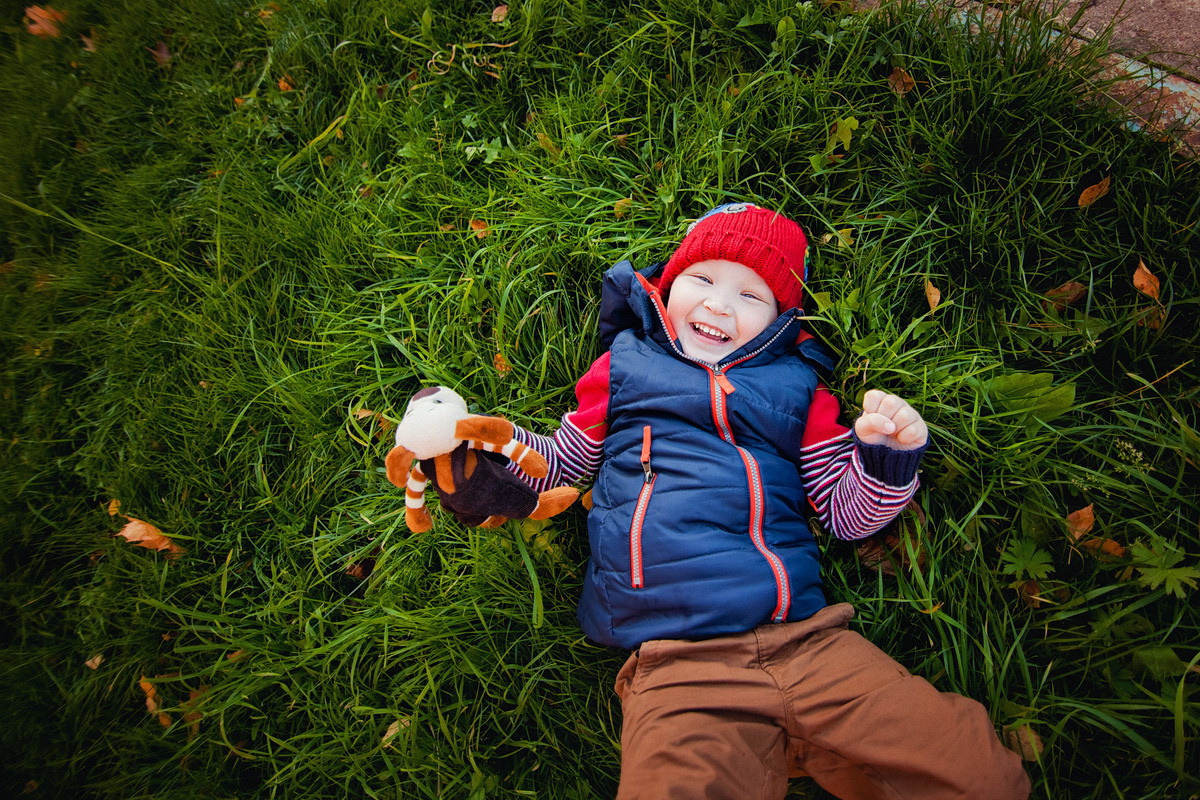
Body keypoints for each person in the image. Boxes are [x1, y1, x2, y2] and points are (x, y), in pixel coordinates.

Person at [504, 202, 1030, 799]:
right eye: (702, 279)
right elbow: (562, 462)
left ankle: (804, 750)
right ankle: (786, 752)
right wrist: (486, 458)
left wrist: (885, 459)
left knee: (982, 774)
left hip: (810, 644)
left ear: (782, 319)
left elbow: (846, 516)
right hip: (680, 665)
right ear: (667, 287)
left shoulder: (800, 387)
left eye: (751, 295)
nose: (718, 304)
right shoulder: (624, 367)